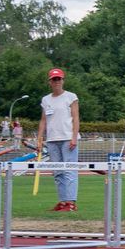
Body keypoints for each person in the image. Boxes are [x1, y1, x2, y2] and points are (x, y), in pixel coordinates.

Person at [38, 68, 80, 212]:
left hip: (68, 138)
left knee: (70, 171)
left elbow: (76, 118)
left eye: (59, 79)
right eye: (54, 79)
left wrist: (74, 137)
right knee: (58, 172)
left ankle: (71, 202)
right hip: (52, 140)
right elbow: (43, 120)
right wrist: (39, 138)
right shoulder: (46, 99)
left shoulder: (71, 97)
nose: (57, 82)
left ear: (63, 80)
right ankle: (62, 201)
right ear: (50, 82)